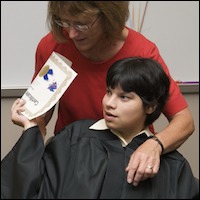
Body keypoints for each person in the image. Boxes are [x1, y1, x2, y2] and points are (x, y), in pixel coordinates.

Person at [32, 1, 194, 186]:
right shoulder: (53, 45)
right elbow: (40, 115)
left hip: (129, 159)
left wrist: (155, 145)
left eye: (81, 24)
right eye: (65, 22)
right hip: (72, 160)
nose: (71, 33)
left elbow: (184, 120)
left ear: (108, 16)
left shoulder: (141, 52)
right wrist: (31, 124)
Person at [1, 57, 198, 199]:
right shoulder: (74, 138)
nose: (109, 103)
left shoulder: (172, 166)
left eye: (124, 97)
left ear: (150, 106)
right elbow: (27, 189)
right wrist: (30, 128)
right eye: (109, 92)